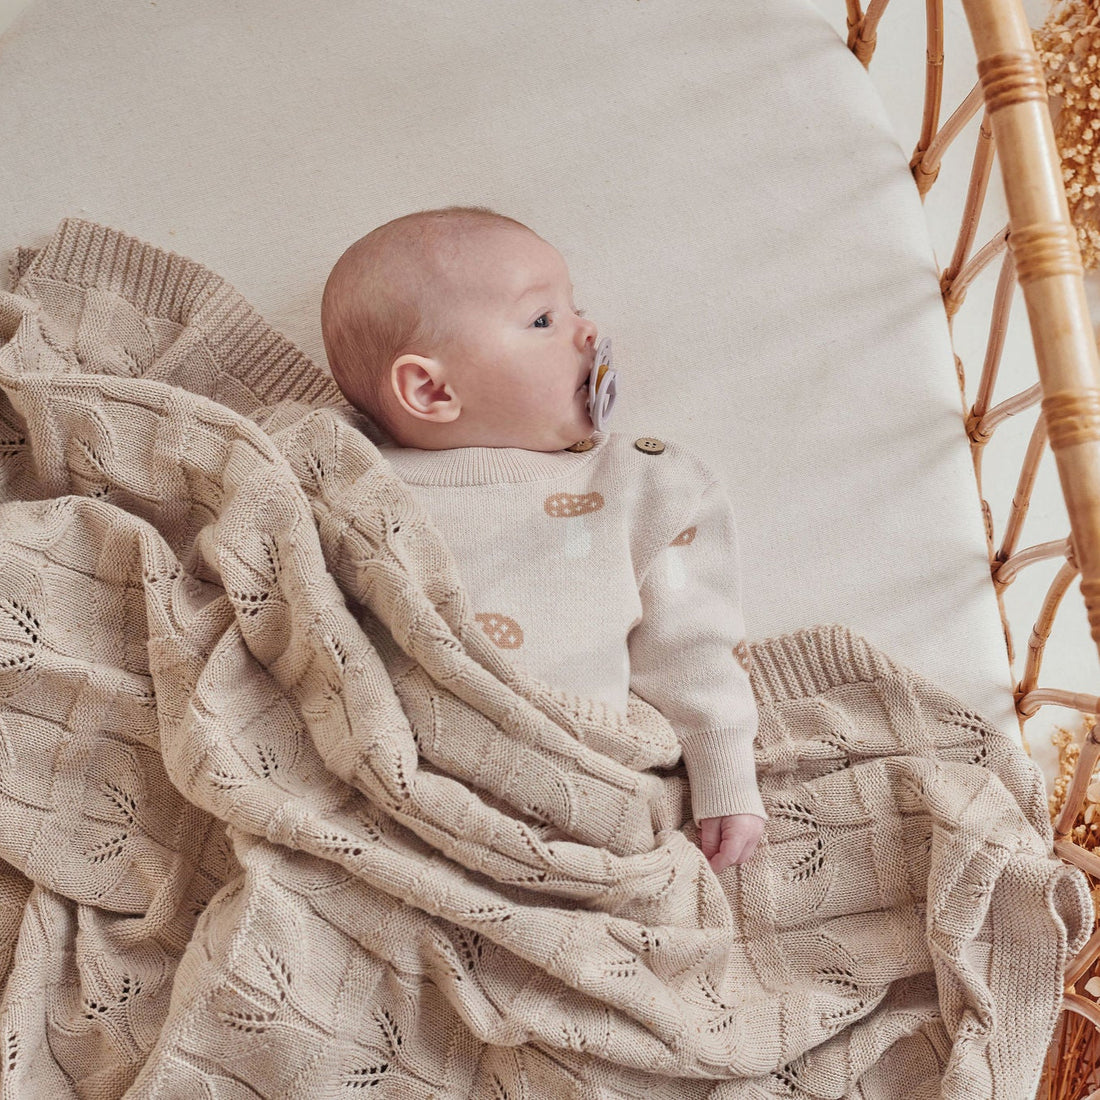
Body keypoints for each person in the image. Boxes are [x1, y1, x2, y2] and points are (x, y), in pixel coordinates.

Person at [320, 205, 767, 871]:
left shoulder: (641, 485)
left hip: (580, 790)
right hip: (394, 792)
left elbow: (691, 644)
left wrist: (725, 773)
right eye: (542, 320)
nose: (589, 332)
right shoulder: (348, 478)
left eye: (574, 306)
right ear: (430, 389)